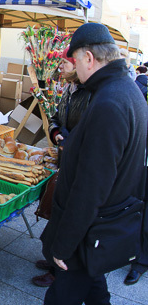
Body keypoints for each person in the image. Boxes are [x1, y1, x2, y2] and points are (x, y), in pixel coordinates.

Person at [40, 23, 148, 305]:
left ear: (89, 57)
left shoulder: (110, 102)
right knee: (94, 288)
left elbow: (91, 187)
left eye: (75, 61)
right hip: (101, 225)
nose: (75, 68)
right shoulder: (126, 90)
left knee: (60, 298)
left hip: (91, 228)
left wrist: (63, 246)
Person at [32, 46, 91, 288]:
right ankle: (52, 257)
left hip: (76, 159)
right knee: (58, 210)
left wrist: (70, 140)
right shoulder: (71, 88)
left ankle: (59, 269)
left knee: (67, 212)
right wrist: (56, 133)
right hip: (64, 154)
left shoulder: (90, 94)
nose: (61, 67)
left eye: (65, 64)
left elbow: (89, 128)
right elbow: (56, 116)